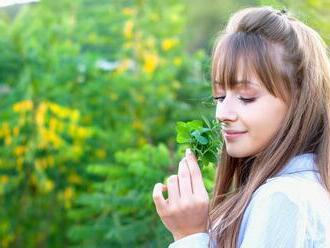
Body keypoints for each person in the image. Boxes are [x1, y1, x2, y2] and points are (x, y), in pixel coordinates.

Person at [152, 6, 330, 247]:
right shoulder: (293, 190)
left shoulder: (285, 198)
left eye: (246, 97)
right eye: (219, 97)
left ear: (299, 101)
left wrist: (190, 235)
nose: (222, 114)